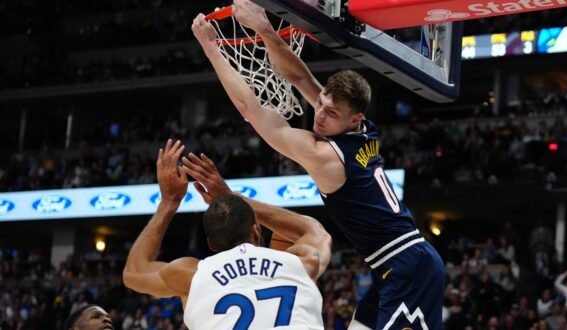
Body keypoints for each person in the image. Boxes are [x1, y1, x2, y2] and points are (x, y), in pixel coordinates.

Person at [191, 2, 445, 329]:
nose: (319, 116)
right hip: (395, 265)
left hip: (407, 267)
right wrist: (265, 30)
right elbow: (298, 75)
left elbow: (250, 109)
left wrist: (212, 49)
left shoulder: (324, 156)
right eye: (321, 104)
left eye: (330, 113)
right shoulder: (361, 130)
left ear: (354, 117)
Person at [123, 139, 331, 330]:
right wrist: (230, 196)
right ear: (256, 231)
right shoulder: (299, 262)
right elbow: (314, 231)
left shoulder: (191, 275)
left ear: (211, 244)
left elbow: (134, 273)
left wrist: (168, 203)